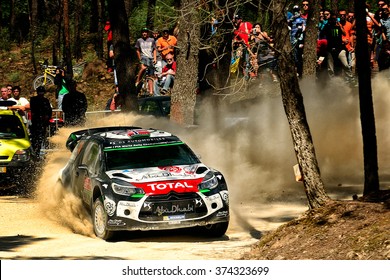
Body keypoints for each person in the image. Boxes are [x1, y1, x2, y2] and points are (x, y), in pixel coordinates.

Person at [29, 86, 52, 158]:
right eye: (39, 92)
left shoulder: (46, 101)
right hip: (36, 122)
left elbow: (49, 111)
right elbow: (33, 109)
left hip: (43, 123)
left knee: (41, 138)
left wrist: (47, 117)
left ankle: (39, 153)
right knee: (34, 139)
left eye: (42, 92)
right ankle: (34, 153)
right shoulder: (33, 100)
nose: (41, 93)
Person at [135, 27, 157, 95]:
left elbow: (154, 49)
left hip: (150, 58)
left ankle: (151, 91)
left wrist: (155, 58)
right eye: (143, 32)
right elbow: (137, 50)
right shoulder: (139, 40)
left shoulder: (152, 40)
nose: (144, 33)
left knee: (151, 75)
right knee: (143, 68)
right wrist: (140, 60)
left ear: (148, 33)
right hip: (143, 57)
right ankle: (137, 81)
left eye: (146, 32)